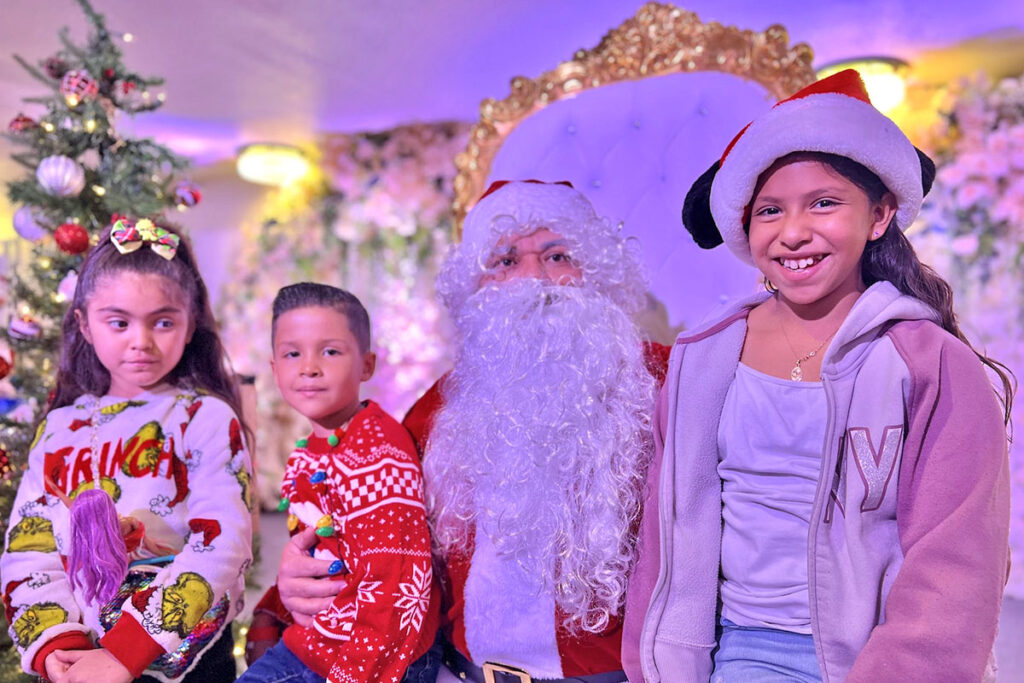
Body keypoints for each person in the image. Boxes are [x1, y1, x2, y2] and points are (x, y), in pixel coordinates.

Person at [623, 70, 1014, 682]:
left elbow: (956, 565)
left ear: (880, 215)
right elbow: (667, 536)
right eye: (770, 211)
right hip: (725, 659)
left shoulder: (930, 364)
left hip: (871, 662)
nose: (794, 232)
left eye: (824, 203)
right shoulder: (701, 358)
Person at [1, 218, 254, 683]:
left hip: (186, 660)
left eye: (162, 321)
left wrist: (124, 653)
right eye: (118, 322)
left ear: (191, 321)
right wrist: (55, 640)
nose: (141, 341)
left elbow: (221, 543)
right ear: (85, 323)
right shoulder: (58, 429)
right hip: (78, 658)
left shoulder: (206, 418)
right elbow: (28, 546)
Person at [240, 283, 438, 683]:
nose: (309, 367)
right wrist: (271, 614)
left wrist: (352, 675)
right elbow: (315, 551)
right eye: (292, 353)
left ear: (366, 365)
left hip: (373, 660)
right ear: (275, 368)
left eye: (330, 351)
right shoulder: (308, 451)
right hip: (314, 645)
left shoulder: (377, 453)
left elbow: (398, 589)